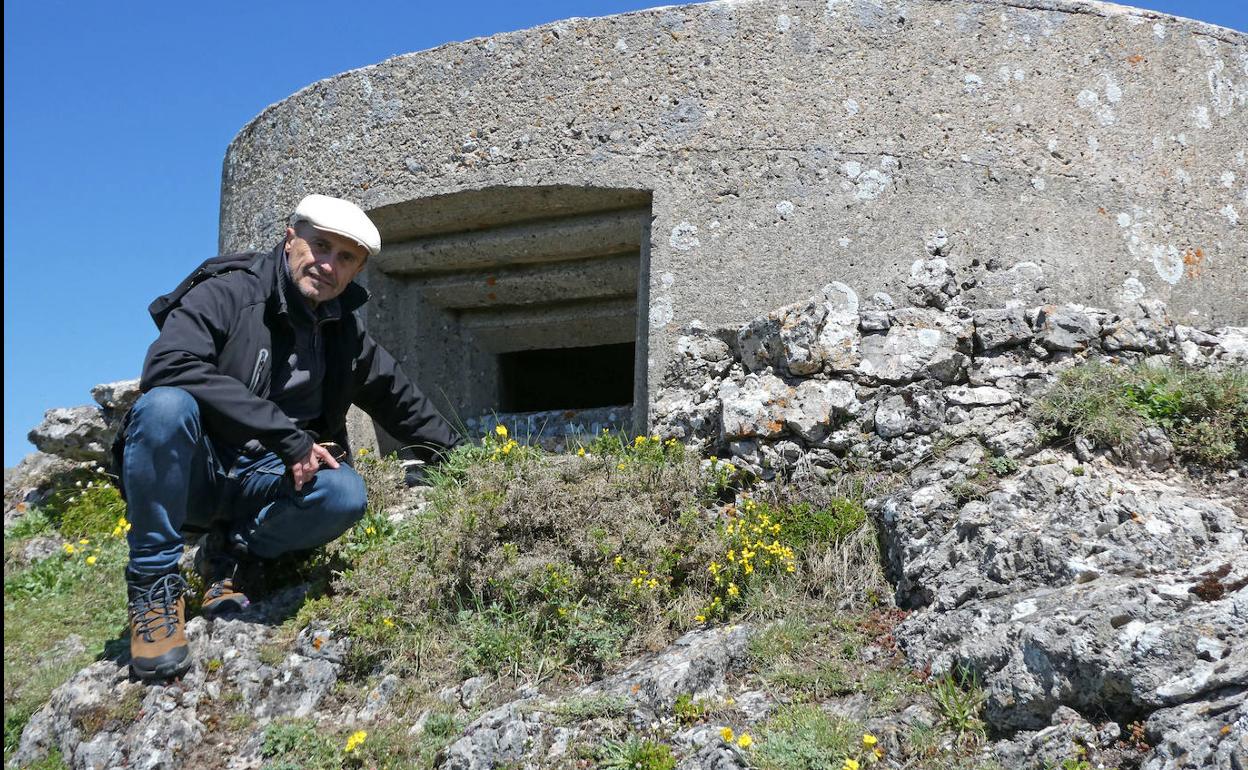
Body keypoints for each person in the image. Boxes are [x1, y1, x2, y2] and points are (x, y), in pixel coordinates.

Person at [114, 194, 463, 680]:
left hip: (268, 480)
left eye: (345, 258)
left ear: (357, 270)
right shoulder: (229, 290)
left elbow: (398, 399)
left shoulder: (345, 332)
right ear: (290, 237)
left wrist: (466, 464)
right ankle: (154, 586)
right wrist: (287, 435)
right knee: (164, 407)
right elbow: (167, 365)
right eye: (319, 246)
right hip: (197, 471)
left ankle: (232, 555)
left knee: (344, 492)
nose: (327, 265)